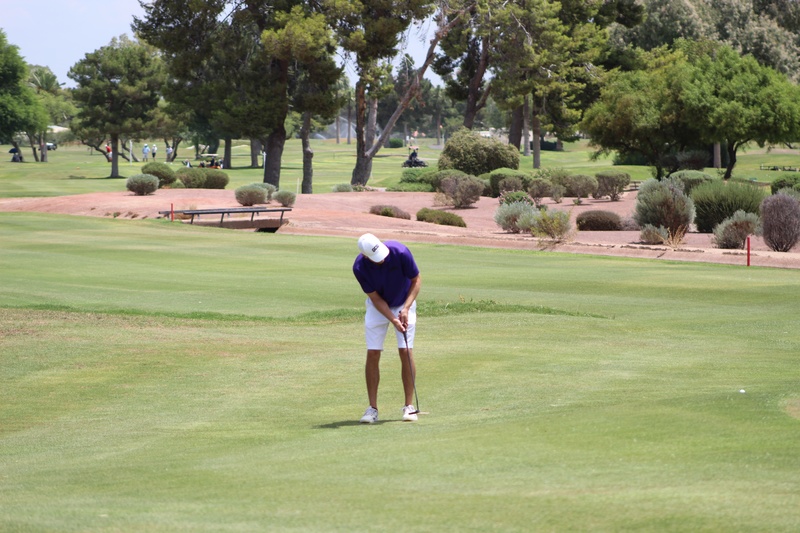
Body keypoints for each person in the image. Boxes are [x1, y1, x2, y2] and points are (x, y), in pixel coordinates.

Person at [352, 233, 422, 424]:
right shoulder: (359, 267)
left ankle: (409, 407)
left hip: (404, 302)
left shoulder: (400, 251)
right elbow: (375, 298)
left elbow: (416, 280)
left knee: (405, 350)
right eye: (376, 258)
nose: (381, 260)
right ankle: (372, 409)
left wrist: (405, 308)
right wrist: (393, 319)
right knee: (373, 352)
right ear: (365, 256)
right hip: (378, 307)